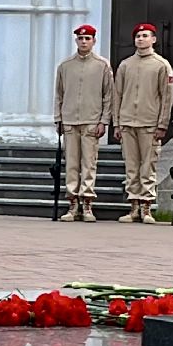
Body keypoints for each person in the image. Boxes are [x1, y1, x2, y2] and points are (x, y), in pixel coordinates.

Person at [112, 22, 173, 223]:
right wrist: (117, 122)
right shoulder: (125, 65)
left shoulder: (161, 65)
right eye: (138, 36)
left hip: (149, 123)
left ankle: (146, 206)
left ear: (153, 39)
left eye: (145, 35)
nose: (141, 39)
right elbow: (117, 95)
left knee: (148, 166)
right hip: (128, 122)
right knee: (131, 166)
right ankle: (133, 206)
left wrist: (162, 124)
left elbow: (166, 97)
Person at [52, 24, 114, 223]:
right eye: (81, 38)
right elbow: (59, 94)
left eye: (88, 38)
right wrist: (58, 118)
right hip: (70, 120)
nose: (84, 42)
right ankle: (72, 203)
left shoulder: (102, 65)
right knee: (71, 164)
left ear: (94, 41)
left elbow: (108, 96)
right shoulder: (65, 65)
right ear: (76, 40)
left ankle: (87, 202)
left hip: (91, 120)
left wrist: (104, 120)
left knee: (89, 163)